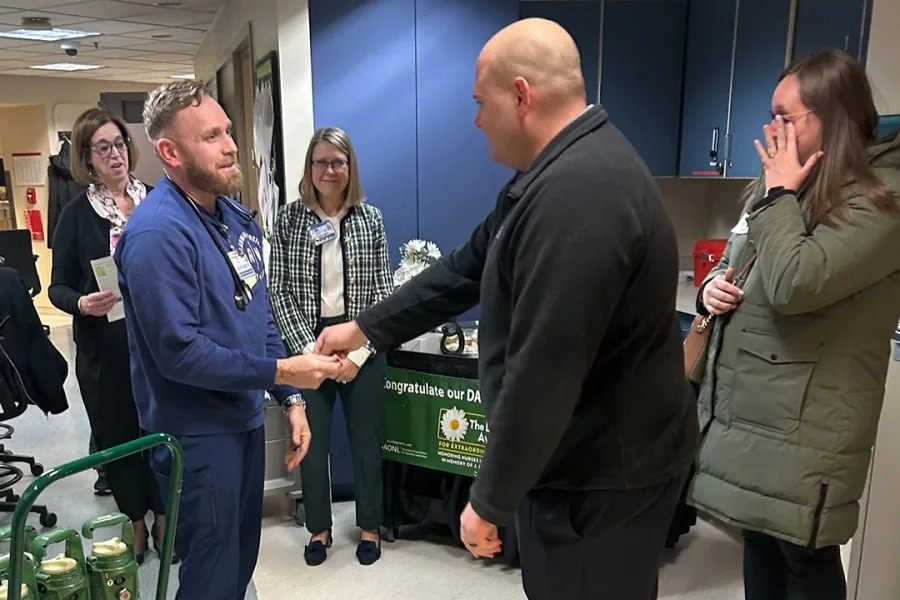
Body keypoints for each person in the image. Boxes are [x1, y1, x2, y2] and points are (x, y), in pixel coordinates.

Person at [315, 18, 698, 600]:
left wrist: (488, 498)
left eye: (479, 103)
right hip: (577, 461)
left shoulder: (581, 194)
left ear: (521, 95)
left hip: (603, 478)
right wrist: (365, 327)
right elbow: (464, 269)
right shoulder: (544, 177)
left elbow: (545, 369)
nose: (475, 120)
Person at [114, 81, 341, 599]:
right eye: (211, 136)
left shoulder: (230, 216)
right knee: (211, 575)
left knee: (238, 566)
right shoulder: (157, 235)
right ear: (170, 153)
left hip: (240, 420)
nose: (231, 145)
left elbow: (257, 315)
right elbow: (180, 353)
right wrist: (282, 373)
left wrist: (290, 399)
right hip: (194, 435)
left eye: (229, 132)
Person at [688, 49, 900, 600]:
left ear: (832, 119)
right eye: (771, 113)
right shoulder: (783, 188)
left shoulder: (882, 199)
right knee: (760, 540)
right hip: (756, 410)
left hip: (809, 421)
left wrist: (779, 193)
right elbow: (746, 262)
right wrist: (713, 288)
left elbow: (796, 283)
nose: (771, 130)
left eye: (786, 117)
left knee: (804, 555)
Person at [269, 127, 393, 566]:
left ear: (349, 167)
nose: (329, 170)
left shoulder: (370, 218)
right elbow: (278, 290)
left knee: (366, 441)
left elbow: (383, 292)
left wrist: (358, 355)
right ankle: (318, 529)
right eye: (320, 162)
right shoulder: (288, 219)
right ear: (309, 167)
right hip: (309, 338)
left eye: (337, 162)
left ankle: (371, 528)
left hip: (362, 339)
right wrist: (310, 354)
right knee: (312, 440)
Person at [48, 108, 168, 563]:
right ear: (86, 156)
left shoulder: (159, 201)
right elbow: (57, 284)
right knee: (118, 437)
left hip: (158, 345)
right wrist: (80, 303)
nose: (115, 153)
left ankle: (162, 516)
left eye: (119, 143)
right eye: (104, 147)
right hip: (105, 349)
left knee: (159, 431)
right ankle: (134, 522)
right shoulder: (78, 216)